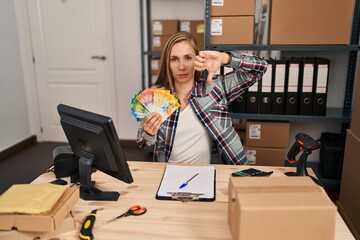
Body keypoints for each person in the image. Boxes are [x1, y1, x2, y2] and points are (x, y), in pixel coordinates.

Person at [137, 31, 268, 165]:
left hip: (207, 174)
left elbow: (260, 68)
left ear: (197, 59)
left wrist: (224, 58)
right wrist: (148, 133)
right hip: (168, 174)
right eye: (174, 59)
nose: (181, 66)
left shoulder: (214, 88)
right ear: (167, 63)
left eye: (188, 58)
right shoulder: (157, 97)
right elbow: (143, 143)